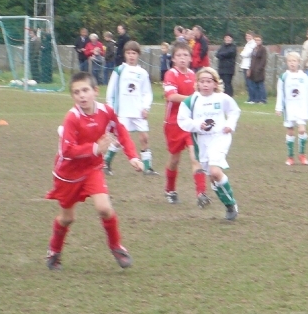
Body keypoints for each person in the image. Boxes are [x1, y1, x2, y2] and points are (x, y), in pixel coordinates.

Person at [44, 72, 144, 270]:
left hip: (92, 169)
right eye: (76, 92)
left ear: (95, 92)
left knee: (104, 208)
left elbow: (121, 131)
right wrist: (96, 148)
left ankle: (116, 246)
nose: (81, 95)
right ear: (73, 96)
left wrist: (132, 156)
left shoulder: (106, 112)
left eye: (85, 90)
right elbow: (67, 150)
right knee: (67, 218)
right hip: (68, 174)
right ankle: (54, 251)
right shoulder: (72, 118)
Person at [178, 67, 241, 220]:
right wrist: (197, 125)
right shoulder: (191, 101)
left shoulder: (222, 98)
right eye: (202, 81)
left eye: (209, 81)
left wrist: (230, 125)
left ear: (215, 83)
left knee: (215, 172)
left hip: (220, 137)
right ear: (197, 83)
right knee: (213, 177)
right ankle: (228, 204)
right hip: (202, 142)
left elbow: (234, 111)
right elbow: (182, 121)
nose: (205, 84)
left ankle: (231, 205)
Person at [162, 41, 211, 206]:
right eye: (179, 55)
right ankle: (170, 190)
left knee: (195, 156)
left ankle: (201, 194)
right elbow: (172, 97)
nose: (182, 58)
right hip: (174, 123)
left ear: (190, 58)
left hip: (191, 123)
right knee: (175, 159)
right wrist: (194, 99)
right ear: (173, 59)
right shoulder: (171, 74)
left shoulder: (193, 75)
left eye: (185, 55)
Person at [104, 41, 157, 176]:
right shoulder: (119, 70)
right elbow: (111, 91)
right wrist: (111, 109)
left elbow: (147, 93)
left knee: (144, 137)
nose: (131, 56)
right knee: (120, 140)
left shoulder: (143, 73)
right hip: (123, 112)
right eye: (128, 53)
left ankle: (148, 167)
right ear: (125, 55)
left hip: (138, 111)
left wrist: (146, 107)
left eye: (134, 53)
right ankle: (106, 162)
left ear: (138, 55)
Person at [275, 51, 308, 166]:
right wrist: (278, 108)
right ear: (287, 62)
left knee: (302, 130)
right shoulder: (283, 77)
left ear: (299, 62)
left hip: (301, 108)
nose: (292, 63)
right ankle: (290, 157)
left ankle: (302, 155)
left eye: (294, 61)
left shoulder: (304, 77)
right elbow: (280, 93)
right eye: (289, 61)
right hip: (289, 109)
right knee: (290, 131)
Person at [249, 34, 268, 104]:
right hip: (253, 70)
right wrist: (250, 69)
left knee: (261, 85)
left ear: (261, 41)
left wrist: (259, 68)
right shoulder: (254, 49)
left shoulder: (263, 49)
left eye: (258, 40)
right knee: (255, 85)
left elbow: (264, 60)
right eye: (256, 40)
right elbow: (252, 59)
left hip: (259, 70)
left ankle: (263, 99)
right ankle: (256, 99)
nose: (257, 41)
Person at [240, 31, 257, 103]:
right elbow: (243, 53)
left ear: (252, 36)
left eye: (249, 36)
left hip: (249, 66)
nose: (247, 37)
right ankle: (250, 98)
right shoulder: (248, 44)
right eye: (246, 36)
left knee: (250, 83)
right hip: (245, 65)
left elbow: (246, 54)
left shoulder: (253, 44)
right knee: (247, 83)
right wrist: (243, 53)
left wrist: (243, 54)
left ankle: (253, 99)